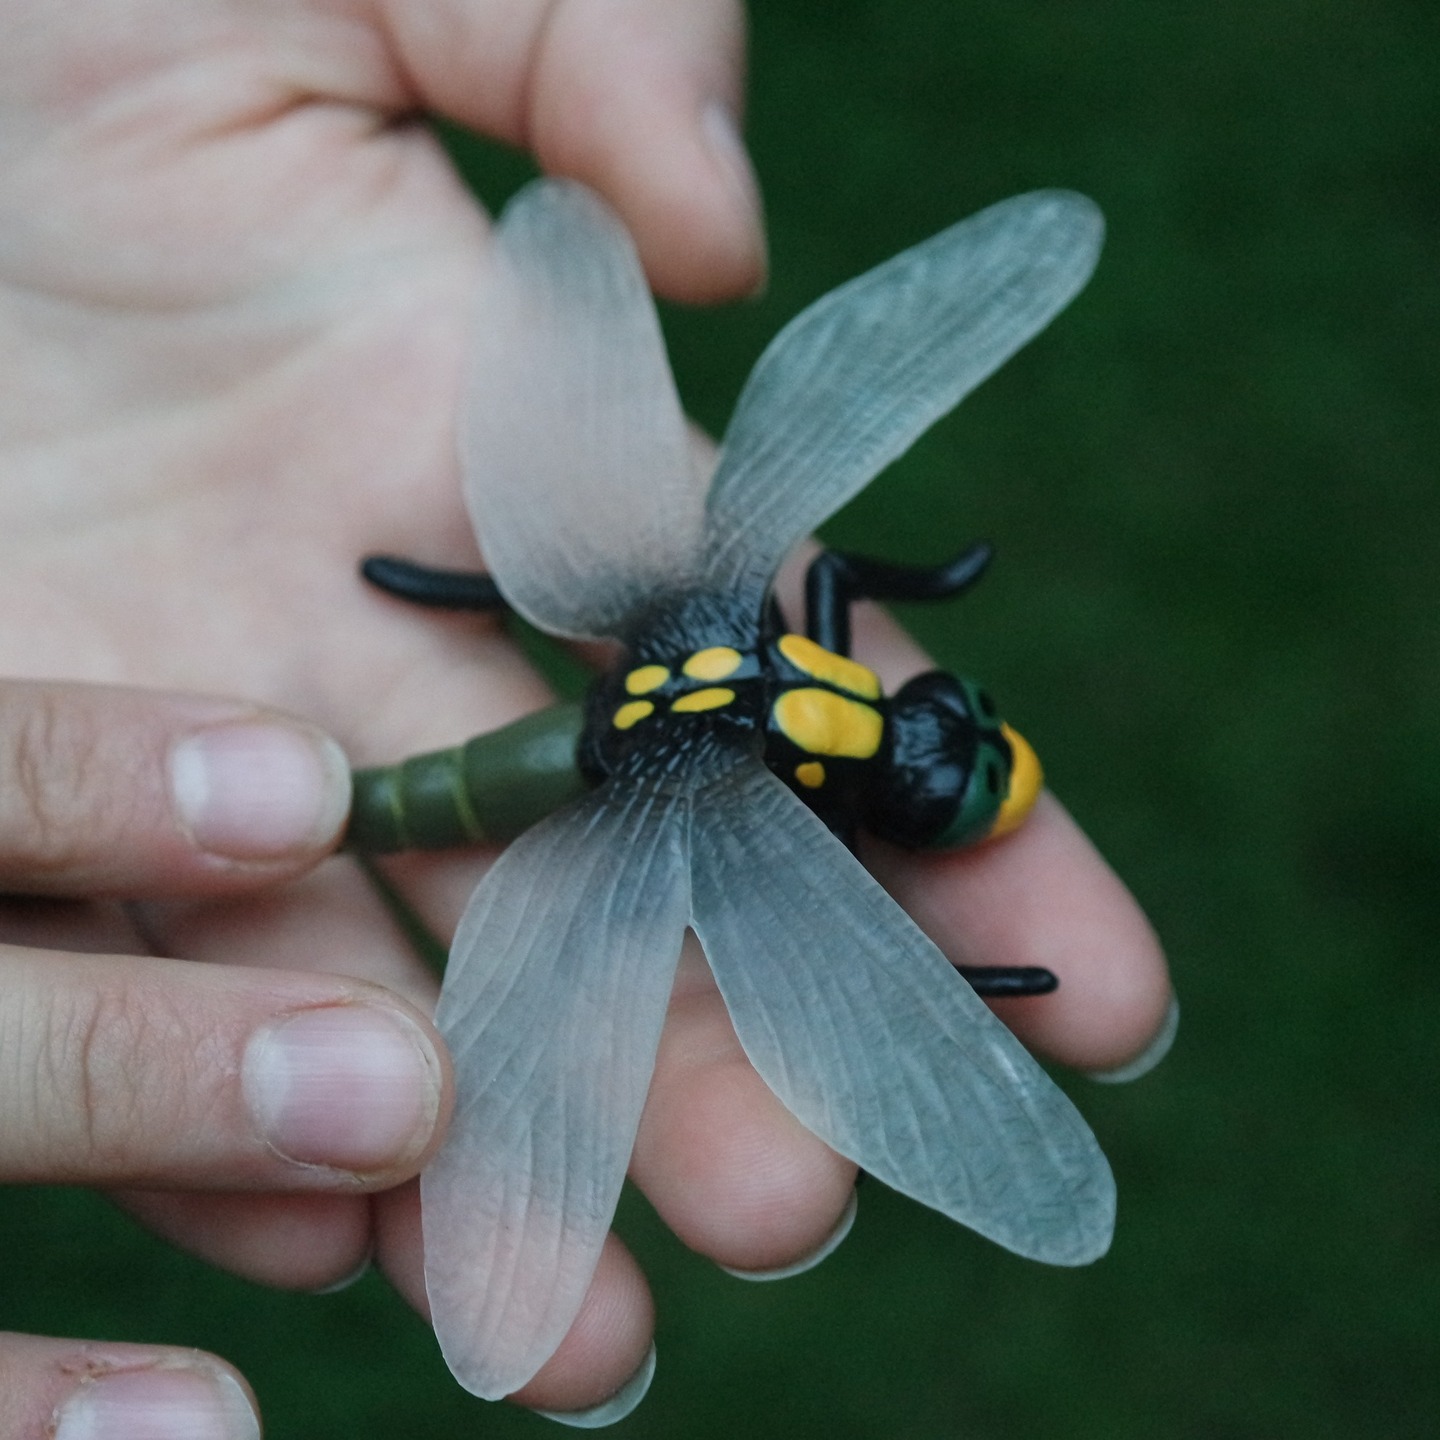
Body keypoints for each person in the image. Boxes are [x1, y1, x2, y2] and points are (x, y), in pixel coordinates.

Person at [0, 0, 1173, 1432]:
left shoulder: (754, 628)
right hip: (575, 740)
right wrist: (939, 992)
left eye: (936, 757)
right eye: (944, 725)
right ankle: (404, 679)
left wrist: (922, 991)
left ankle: (431, 623)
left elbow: (843, 590)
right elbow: (856, 859)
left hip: (606, 727)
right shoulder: (774, 762)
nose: (926, 734)